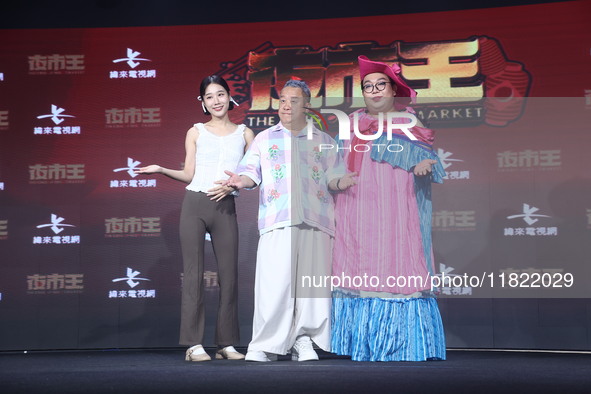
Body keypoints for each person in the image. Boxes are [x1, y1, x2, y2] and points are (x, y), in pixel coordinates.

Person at [223, 79, 355, 362]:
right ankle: (265, 344)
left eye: (293, 100)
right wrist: (239, 181)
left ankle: (303, 341)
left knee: (311, 288)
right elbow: (250, 172)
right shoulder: (265, 138)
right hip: (277, 220)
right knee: (275, 284)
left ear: (306, 105)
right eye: (282, 99)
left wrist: (343, 181)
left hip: (316, 220)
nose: (286, 105)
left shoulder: (324, 140)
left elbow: (334, 176)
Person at [330, 55, 447, 361]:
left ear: (394, 89)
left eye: (381, 84)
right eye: (368, 86)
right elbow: (329, 168)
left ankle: (402, 344)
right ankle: (359, 344)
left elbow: (432, 164)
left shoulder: (409, 121)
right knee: (358, 270)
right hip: (355, 212)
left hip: (397, 213)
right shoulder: (351, 123)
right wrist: (336, 181)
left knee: (398, 266)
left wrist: (424, 164)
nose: (374, 90)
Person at [135, 75, 254, 361]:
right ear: (202, 101)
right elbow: (189, 174)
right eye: (210, 96)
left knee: (229, 275)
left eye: (221, 94)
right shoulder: (196, 131)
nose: (216, 101)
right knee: (193, 274)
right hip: (195, 203)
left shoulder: (245, 134)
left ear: (230, 97)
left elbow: (254, 175)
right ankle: (193, 345)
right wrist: (161, 169)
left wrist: (237, 183)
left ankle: (226, 344)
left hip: (225, 205)